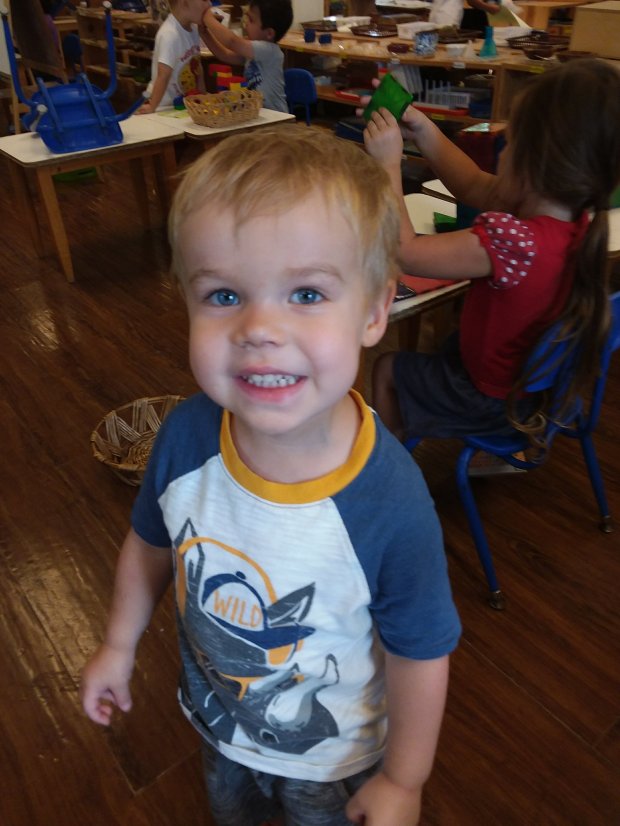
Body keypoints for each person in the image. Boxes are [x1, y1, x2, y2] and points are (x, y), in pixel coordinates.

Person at [80, 126, 461, 826]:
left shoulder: (392, 500)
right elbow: (150, 544)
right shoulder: (185, 437)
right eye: (224, 295)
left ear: (375, 311)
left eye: (307, 293)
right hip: (218, 724)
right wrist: (117, 642)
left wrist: (405, 779)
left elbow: (420, 653)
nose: (259, 327)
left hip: (333, 758)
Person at [363, 59, 620, 462]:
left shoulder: (512, 241)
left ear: (535, 163)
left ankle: (389, 471)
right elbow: (472, 183)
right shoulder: (574, 218)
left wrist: (387, 166)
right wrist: (423, 129)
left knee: (386, 369)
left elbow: (404, 252)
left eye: (509, 141)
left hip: (491, 402)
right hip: (526, 391)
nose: (502, 148)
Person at [201, 0, 292, 112]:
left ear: (269, 33)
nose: (246, 23)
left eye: (251, 20)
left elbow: (232, 42)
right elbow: (225, 54)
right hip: (261, 114)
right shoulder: (252, 52)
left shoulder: (269, 51)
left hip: (278, 116)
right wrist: (204, 33)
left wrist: (208, 18)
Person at [139, 0, 210, 114]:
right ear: (184, 2)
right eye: (204, 0)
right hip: (163, 106)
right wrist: (152, 107)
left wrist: (203, 96)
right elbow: (163, 75)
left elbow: (198, 68)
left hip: (184, 105)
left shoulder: (194, 29)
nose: (209, 4)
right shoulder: (169, 34)